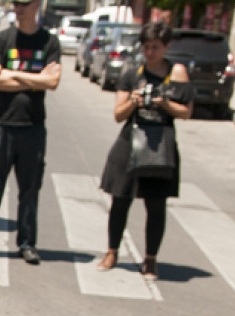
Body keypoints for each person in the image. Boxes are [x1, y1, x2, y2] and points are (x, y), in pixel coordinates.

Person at [95, 22, 193, 281]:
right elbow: (118, 114)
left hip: (160, 145)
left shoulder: (176, 73)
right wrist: (134, 101)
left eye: (155, 48)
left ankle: (150, 259)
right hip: (130, 142)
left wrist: (165, 103)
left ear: (166, 47)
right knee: (120, 200)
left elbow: (186, 112)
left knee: (156, 205)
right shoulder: (132, 75)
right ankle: (112, 251)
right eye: (146, 47)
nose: (150, 53)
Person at [0, 0, 60, 264]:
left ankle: (26, 243)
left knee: (30, 189)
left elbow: (53, 81)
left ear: (37, 5)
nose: (18, 8)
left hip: (32, 127)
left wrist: (13, 74)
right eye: (15, 3)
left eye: (24, 3)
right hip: (2, 124)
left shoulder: (49, 42)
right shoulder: (3, 39)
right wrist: (35, 79)